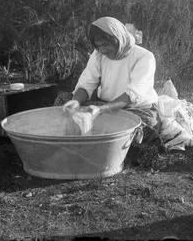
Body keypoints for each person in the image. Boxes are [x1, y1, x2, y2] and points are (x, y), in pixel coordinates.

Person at [62, 16, 163, 167]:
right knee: (63, 102)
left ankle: (113, 152)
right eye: (98, 46)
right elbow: (86, 83)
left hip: (136, 108)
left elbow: (132, 95)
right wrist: (75, 102)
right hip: (105, 105)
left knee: (145, 125)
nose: (103, 49)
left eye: (105, 44)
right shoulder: (98, 56)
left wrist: (101, 110)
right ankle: (74, 146)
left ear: (118, 39)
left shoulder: (144, 57)